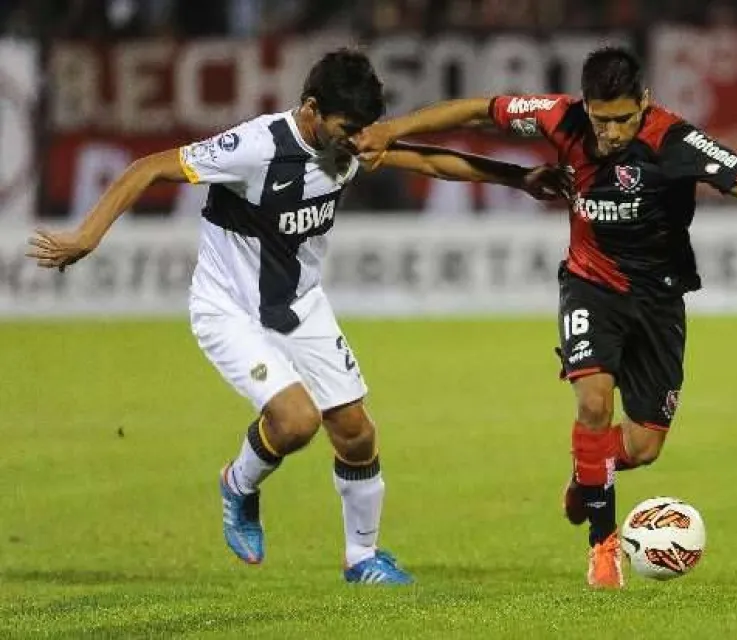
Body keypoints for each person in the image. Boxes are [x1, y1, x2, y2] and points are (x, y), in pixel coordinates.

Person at [353, 46, 737, 588]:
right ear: (585, 106)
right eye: (602, 120)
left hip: (659, 301)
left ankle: (588, 471)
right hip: (590, 286)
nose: (612, 132)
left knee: (644, 447)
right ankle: (603, 546)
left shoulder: (674, 141)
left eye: (623, 119)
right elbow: (480, 110)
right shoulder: (560, 118)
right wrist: (390, 130)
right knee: (594, 403)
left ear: (643, 102)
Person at [26, 48, 566, 585]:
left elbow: (427, 161)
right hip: (230, 310)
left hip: (301, 305)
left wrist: (519, 178)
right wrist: (86, 236)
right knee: (296, 421)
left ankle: (361, 559)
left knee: (356, 432)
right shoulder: (256, 147)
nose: (359, 141)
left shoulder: (349, 143)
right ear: (311, 109)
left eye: (364, 129)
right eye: (347, 128)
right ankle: (238, 484)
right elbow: (148, 168)